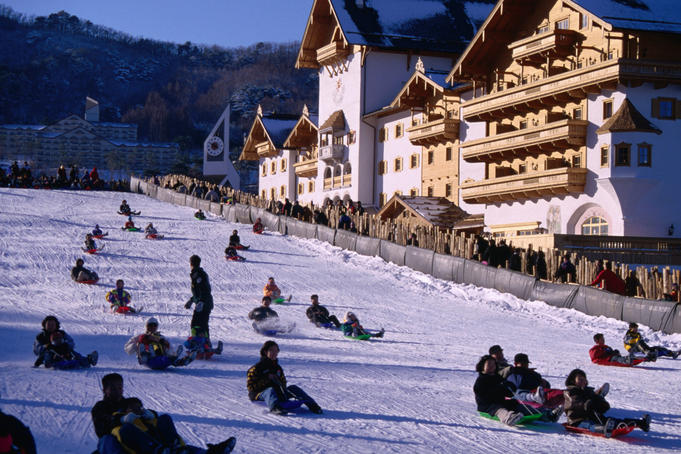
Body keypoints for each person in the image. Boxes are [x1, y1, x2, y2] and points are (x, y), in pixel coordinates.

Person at [92, 373, 236, 454]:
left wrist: (148, 413)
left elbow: (144, 413)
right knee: (117, 435)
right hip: (121, 443)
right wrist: (121, 419)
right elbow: (101, 427)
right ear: (104, 390)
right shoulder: (101, 407)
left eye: (120, 387)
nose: (118, 391)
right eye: (113, 388)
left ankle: (192, 451)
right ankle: (160, 451)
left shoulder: (130, 401)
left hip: (145, 436)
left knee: (164, 418)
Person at [563, 368, 650, 435]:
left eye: (584, 379)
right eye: (580, 379)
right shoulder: (570, 392)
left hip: (593, 416)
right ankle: (604, 429)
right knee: (589, 425)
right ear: (573, 381)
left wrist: (601, 403)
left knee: (612, 420)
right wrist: (586, 404)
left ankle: (641, 423)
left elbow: (599, 405)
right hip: (577, 421)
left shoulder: (589, 391)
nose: (583, 381)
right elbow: (574, 402)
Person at [247, 341, 322, 415]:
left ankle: (313, 406)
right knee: (270, 390)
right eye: (271, 350)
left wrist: (279, 383)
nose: (274, 353)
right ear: (265, 352)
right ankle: (275, 408)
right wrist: (267, 379)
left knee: (293, 388)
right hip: (259, 395)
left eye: (276, 351)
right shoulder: (256, 368)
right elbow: (251, 388)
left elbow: (283, 384)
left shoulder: (277, 368)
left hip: (276, 394)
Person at [473, 355, 527, 426]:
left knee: (513, 403)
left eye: (493, 364)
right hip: (487, 405)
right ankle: (508, 418)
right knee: (499, 409)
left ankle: (530, 413)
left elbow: (508, 392)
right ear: (482, 366)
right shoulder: (481, 380)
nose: (492, 366)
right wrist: (496, 390)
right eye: (489, 364)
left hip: (500, 401)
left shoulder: (498, 377)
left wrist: (510, 387)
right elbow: (481, 395)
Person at [124, 317, 195, 370]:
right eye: (150, 325)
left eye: (154, 325)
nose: (152, 327)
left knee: (168, 357)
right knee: (164, 359)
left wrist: (166, 345)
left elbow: (169, 348)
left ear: (157, 326)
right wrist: (138, 343)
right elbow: (128, 350)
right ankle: (174, 359)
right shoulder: (140, 336)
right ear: (146, 326)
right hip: (148, 360)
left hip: (160, 358)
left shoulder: (161, 337)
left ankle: (181, 360)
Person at [185, 255, 214, 337]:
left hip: (204, 303)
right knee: (201, 324)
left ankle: (201, 344)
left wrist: (201, 301)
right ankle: (204, 344)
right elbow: (198, 292)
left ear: (191, 264)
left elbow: (204, 290)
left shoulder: (198, 274)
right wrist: (191, 300)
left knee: (196, 324)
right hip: (205, 302)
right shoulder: (199, 273)